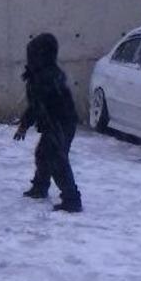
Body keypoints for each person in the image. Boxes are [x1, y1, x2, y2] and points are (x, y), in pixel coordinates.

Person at [13, 33, 83, 213]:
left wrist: (26, 124)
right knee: (43, 154)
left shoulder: (48, 77)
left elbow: (40, 104)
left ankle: (72, 199)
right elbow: (35, 105)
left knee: (57, 160)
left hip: (62, 123)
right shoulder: (38, 75)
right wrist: (24, 124)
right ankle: (40, 186)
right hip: (54, 123)